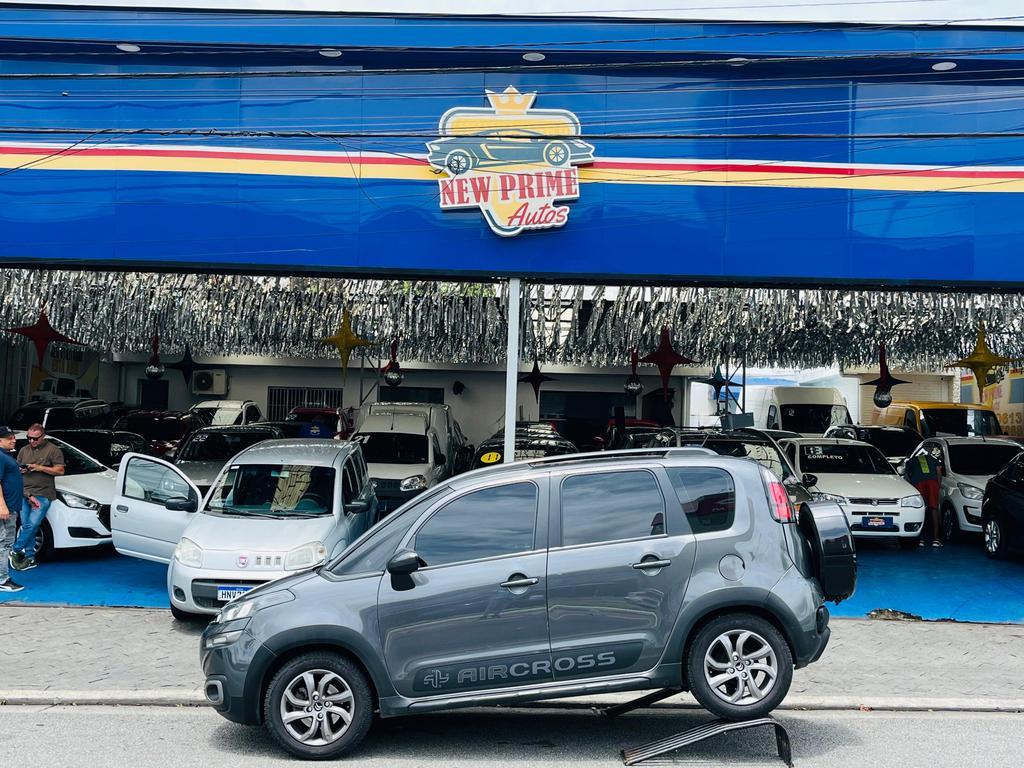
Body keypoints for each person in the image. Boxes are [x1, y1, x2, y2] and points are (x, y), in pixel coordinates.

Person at [11, 423, 64, 571]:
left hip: (43, 494)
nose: (31, 441)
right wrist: (21, 470)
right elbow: (16, 470)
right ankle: (30, 558)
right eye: (29, 438)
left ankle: (15, 549)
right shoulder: (24, 450)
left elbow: (60, 470)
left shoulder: (53, 450)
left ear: (43, 436)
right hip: (25, 492)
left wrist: (40, 468)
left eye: (35, 438)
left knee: (32, 524)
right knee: (26, 526)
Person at [0, 426, 25, 591]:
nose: (13, 440)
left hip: (11, 506)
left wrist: (28, 495)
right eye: (9, 438)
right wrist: (2, 506)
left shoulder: (6, 456)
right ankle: (2, 580)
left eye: (13, 437)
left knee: (4, 543)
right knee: (5, 543)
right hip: (6, 509)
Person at [905, 450, 943, 548]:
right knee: (933, 509)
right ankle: (936, 539)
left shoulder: (910, 461)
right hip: (932, 483)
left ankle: (921, 539)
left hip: (918, 483)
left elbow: (907, 476)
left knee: (921, 509)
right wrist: (938, 485)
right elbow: (938, 471)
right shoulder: (932, 459)